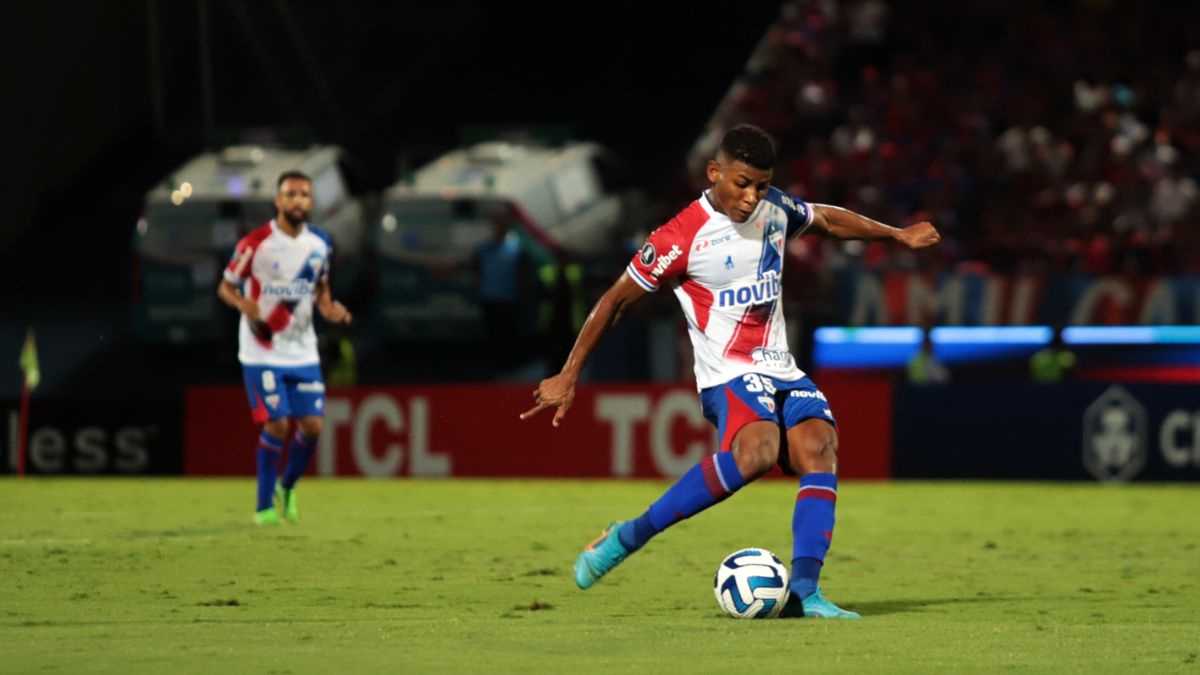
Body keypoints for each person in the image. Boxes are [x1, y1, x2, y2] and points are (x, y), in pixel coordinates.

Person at [520, 125, 940, 618]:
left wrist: (895, 234)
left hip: (781, 367)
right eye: (742, 183)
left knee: (819, 447)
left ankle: (806, 592)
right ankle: (627, 536)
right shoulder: (678, 237)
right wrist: (570, 373)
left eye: (761, 185)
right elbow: (614, 302)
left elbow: (826, 218)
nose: (751, 197)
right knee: (757, 452)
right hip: (727, 374)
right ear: (714, 173)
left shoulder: (775, 209)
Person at [217, 170, 352, 525]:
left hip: (303, 351)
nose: (298, 201)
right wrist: (243, 305)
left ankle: (287, 487)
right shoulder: (256, 242)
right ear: (278, 200)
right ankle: (263, 507)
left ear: (311, 202)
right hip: (262, 351)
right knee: (276, 424)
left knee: (312, 426)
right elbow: (227, 286)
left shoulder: (320, 243)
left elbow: (321, 291)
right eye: (290, 194)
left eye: (304, 195)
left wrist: (330, 309)